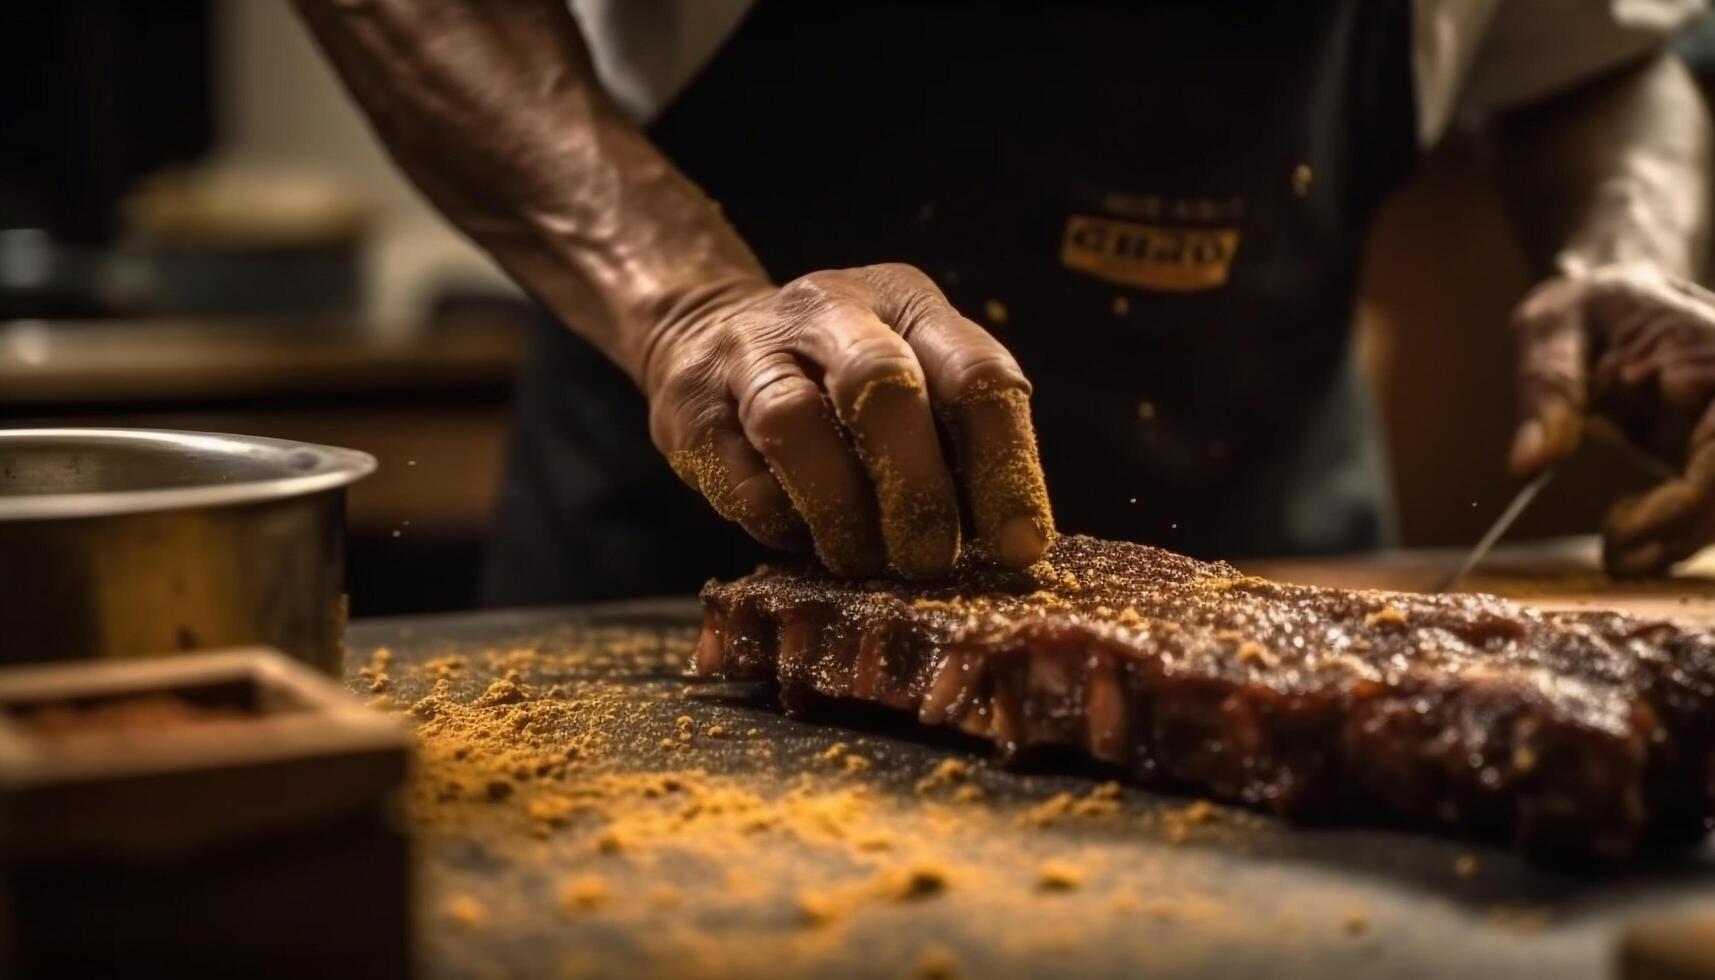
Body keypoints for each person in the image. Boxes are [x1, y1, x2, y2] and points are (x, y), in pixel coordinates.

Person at [291, 0, 1715, 604]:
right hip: (702, 574)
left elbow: (1593, 51)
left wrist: (1621, 248)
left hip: (1282, 563)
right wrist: (682, 301)